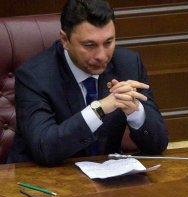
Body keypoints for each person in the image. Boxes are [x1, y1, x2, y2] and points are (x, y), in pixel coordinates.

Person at [8, 0, 167, 166]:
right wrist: (99, 109)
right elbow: (44, 149)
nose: (102, 55)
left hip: (108, 179)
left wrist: (136, 113)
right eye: (89, 45)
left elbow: (157, 145)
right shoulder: (33, 76)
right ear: (64, 39)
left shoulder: (127, 64)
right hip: (42, 179)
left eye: (108, 42)